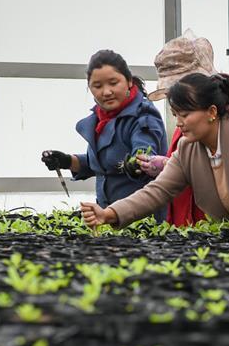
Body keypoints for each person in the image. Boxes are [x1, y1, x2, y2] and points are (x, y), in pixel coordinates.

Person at [80, 73, 229, 231]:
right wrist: (109, 214)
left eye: (185, 114)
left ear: (211, 112)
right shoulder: (187, 149)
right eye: (175, 114)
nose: (179, 123)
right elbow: (157, 191)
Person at [41, 49, 168, 221]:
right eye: (98, 86)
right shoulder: (101, 119)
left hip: (141, 220)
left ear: (129, 81)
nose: (106, 92)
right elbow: (103, 165)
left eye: (113, 83)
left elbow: (145, 154)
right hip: (106, 218)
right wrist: (66, 161)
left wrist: (137, 162)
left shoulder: (144, 116)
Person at [140, 32, 216, 227]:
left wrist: (170, 166)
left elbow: (225, 172)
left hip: (210, 222)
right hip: (183, 222)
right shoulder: (184, 123)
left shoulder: (220, 123)